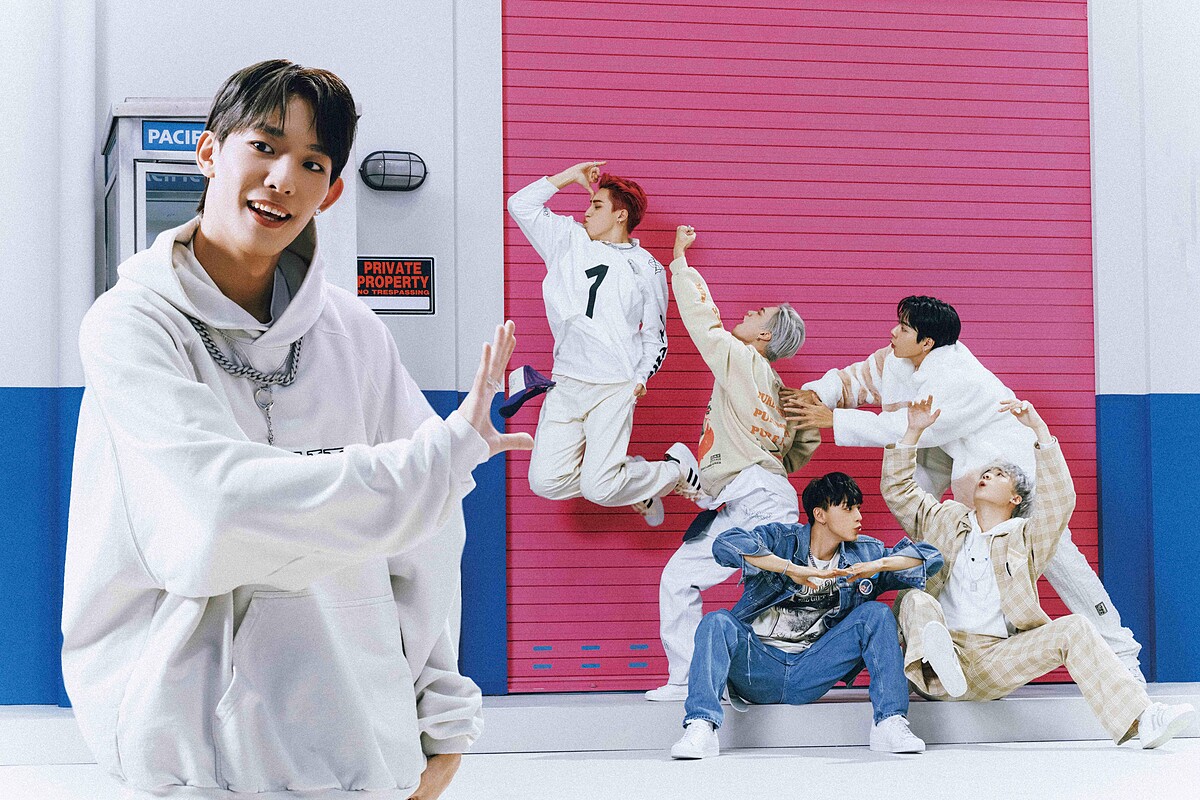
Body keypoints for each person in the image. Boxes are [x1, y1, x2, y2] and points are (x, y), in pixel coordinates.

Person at [61, 60, 532, 800]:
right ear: (210, 152)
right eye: (265, 146)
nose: (283, 178)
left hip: (354, 745)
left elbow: (429, 539)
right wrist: (431, 465)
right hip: (192, 756)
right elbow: (217, 515)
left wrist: (441, 719)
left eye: (312, 163)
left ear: (332, 191)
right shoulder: (131, 325)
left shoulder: (355, 333)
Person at [786, 295, 1144, 679]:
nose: (893, 332)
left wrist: (834, 420)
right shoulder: (902, 357)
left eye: (903, 328)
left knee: (1062, 563)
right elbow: (859, 378)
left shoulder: (959, 378)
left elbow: (907, 428)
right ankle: (925, 647)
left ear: (926, 342)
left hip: (1013, 473)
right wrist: (817, 395)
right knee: (938, 546)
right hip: (963, 462)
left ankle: (1122, 656)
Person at [882, 396, 1194, 748]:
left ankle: (1144, 718)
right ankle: (942, 663)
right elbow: (900, 492)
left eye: (999, 474)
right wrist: (913, 431)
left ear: (1015, 499)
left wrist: (1039, 430)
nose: (987, 475)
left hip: (992, 661)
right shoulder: (944, 520)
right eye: (985, 472)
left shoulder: (1026, 540)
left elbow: (1059, 502)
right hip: (936, 662)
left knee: (1074, 627)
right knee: (916, 599)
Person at [645, 225, 821, 701]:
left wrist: (679, 261)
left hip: (755, 499)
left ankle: (729, 678)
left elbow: (704, 322)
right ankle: (698, 679)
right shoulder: (778, 391)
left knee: (765, 596)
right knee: (694, 579)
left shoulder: (742, 360)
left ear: (764, 335)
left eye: (758, 314)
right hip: (758, 496)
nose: (748, 313)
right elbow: (801, 446)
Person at [670, 472, 944, 759]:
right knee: (716, 621)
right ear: (820, 514)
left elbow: (932, 558)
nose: (859, 517)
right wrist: (790, 569)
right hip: (758, 667)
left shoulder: (864, 554)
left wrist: (879, 565)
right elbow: (725, 544)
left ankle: (889, 722)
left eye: (858, 508)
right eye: (848, 508)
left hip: (811, 669)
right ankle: (701, 726)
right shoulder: (781, 540)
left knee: (875, 614)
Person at [506, 161, 700, 526]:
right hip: (566, 381)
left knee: (599, 488)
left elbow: (656, 335)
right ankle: (633, 481)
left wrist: (640, 378)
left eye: (597, 206)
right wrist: (570, 176)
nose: (586, 212)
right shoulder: (567, 240)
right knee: (545, 481)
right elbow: (520, 204)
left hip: (614, 386)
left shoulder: (648, 267)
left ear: (620, 215)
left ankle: (674, 471)